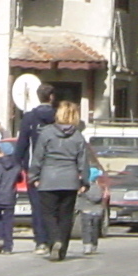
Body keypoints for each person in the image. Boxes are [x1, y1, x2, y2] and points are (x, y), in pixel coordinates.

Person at [29, 101, 99, 261]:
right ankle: (62, 251)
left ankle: (55, 240)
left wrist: (34, 176)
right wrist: (84, 182)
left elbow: (38, 157)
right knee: (66, 216)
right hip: (70, 180)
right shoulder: (78, 136)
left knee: (48, 214)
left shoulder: (46, 133)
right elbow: (83, 161)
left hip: (48, 179)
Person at [18, 85, 58, 253]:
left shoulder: (29, 118)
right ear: (52, 97)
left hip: (34, 169)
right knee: (54, 205)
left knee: (37, 205)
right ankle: (53, 239)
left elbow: (22, 145)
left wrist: (20, 166)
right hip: (56, 169)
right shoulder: (58, 117)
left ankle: (40, 241)